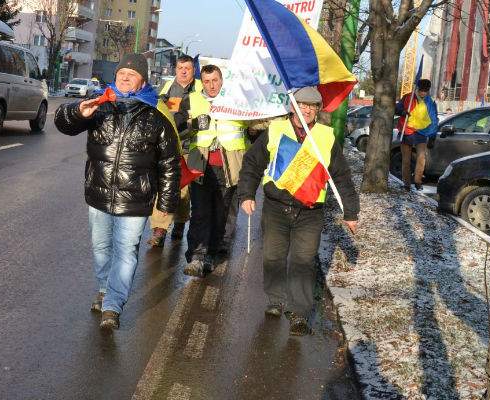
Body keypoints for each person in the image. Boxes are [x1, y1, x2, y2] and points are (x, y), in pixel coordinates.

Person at [54, 53, 181, 331]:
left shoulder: (156, 113)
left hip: (135, 199)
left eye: (131, 74)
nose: (124, 77)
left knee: (126, 252)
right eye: (121, 72)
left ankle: (112, 305)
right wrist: (76, 112)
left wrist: (167, 203)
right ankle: (104, 287)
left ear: (143, 81)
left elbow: (170, 162)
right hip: (98, 194)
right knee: (101, 248)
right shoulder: (100, 105)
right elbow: (62, 124)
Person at [237, 86, 360, 336]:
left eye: (312, 106)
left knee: (303, 261)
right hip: (276, 207)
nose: (306, 110)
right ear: (293, 107)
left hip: (310, 212)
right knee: (273, 256)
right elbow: (252, 162)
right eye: (302, 105)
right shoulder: (276, 130)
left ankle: (299, 313)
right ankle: (274, 299)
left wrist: (351, 211)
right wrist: (247, 194)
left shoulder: (325, 137)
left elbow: (342, 176)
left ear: (317, 110)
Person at [181, 64, 249, 276]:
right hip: (200, 167)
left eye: (215, 80)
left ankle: (211, 253)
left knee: (221, 214)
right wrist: (192, 125)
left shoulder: (238, 101)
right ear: (202, 81)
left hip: (228, 168)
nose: (212, 85)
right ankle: (196, 256)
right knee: (200, 212)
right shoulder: (191, 100)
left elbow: (255, 127)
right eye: (207, 81)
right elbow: (178, 128)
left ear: (222, 80)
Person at [148, 55, 203, 247]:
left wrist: (189, 120)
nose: (183, 71)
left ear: (193, 70)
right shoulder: (167, 88)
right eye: (180, 67)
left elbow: (202, 117)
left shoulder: (201, 89)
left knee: (182, 190)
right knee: (165, 187)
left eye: (187, 67)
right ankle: (159, 229)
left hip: (190, 147)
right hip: (168, 146)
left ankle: (180, 221)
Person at [395, 79, 439, 191]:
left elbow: (434, 119)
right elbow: (397, 108)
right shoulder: (407, 98)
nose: (423, 93)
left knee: (421, 158)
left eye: (426, 91)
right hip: (407, 131)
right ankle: (406, 184)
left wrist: (433, 136)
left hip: (422, 132)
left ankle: (418, 181)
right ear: (417, 89)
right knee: (406, 159)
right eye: (421, 90)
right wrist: (402, 112)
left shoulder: (430, 102)